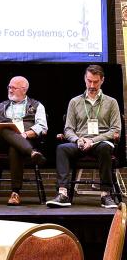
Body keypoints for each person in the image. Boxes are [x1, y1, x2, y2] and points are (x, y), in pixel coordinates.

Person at [46, 64, 122, 209]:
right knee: (62, 148)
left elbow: (115, 129)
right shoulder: (75, 102)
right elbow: (68, 129)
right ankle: (63, 193)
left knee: (105, 148)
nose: (92, 85)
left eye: (95, 81)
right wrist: (78, 139)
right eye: (89, 81)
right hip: (79, 142)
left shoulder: (111, 102)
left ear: (102, 80)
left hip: (100, 142)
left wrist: (92, 140)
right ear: (84, 79)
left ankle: (106, 195)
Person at [0, 76, 48, 206]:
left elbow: (42, 126)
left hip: (26, 140)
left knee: (15, 147)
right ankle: (32, 153)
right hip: (2, 143)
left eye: (13, 88)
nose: (10, 90)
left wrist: (25, 134)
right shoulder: (1, 106)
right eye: (9, 87)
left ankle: (15, 193)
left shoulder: (37, 106)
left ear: (24, 90)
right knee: (5, 129)